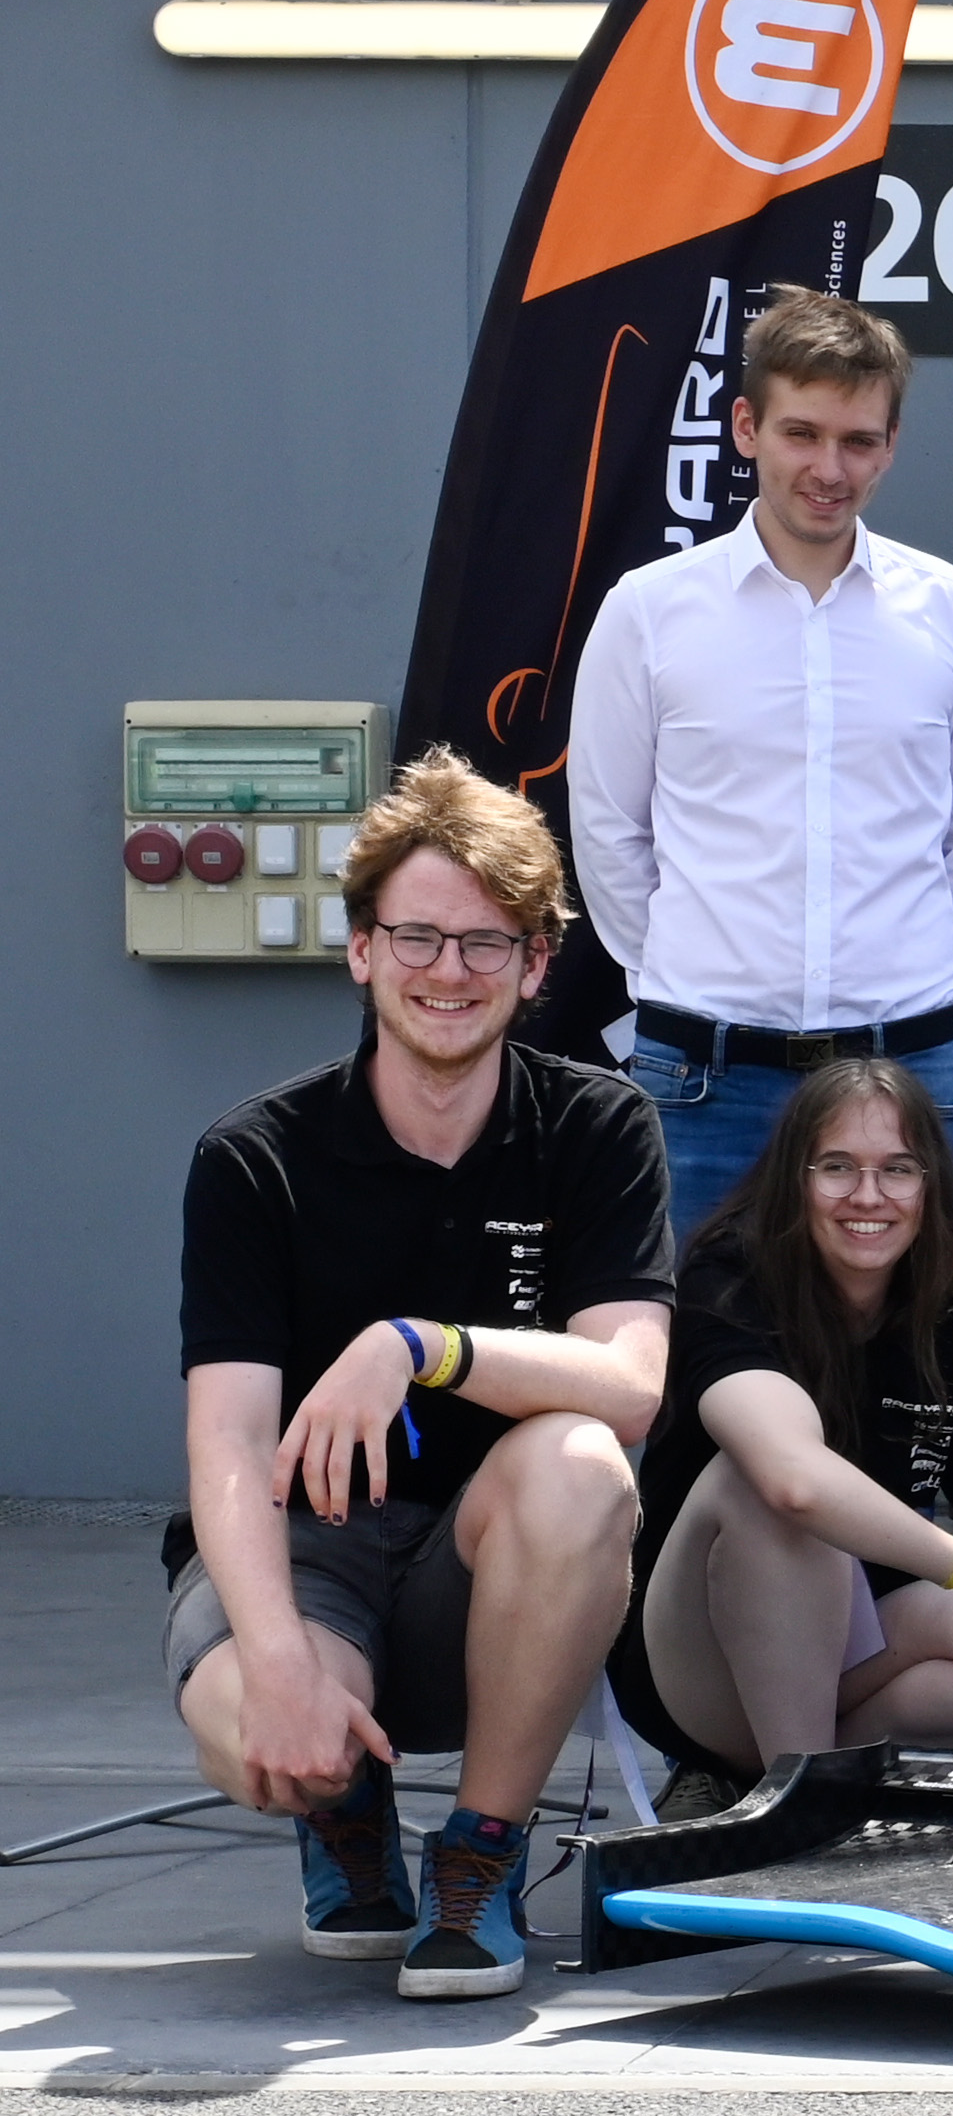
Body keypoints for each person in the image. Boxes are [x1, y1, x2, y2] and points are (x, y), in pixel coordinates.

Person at [167, 753, 673, 2000]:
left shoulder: (600, 1127)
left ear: (537, 966)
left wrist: (418, 1346)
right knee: (252, 1726)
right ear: (359, 951)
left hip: (486, 1571)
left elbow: (631, 1383)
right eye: (418, 937)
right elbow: (228, 1441)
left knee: (579, 1461)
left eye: (487, 945)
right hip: (310, 1555)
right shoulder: (255, 1156)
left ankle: (480, 1856)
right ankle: (343, 1814)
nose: (449, 971)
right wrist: (280, 1664)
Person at [570, 290, 953, 1231]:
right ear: (746, 426)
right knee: (684, 1357)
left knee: (905, 1364)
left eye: (858, 440)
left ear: (891, 443)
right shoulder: (649, 611)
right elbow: (608, 829)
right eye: (801, 433)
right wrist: (693, 981)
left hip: (906, 1067)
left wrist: (914, 981)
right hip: (700, 1078)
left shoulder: (950, 609)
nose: (829, 467)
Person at [627, 1062, 953, 1787]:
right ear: (793, 1180)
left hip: (861, 1655)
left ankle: (795, 1793)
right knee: (768, 1492)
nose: (869, 1196)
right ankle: (796, 1822)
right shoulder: (728, 1282)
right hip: (703, 1658)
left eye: (898, 1168)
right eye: (837, 1167)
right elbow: (795, 1481)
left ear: (931, 1185)